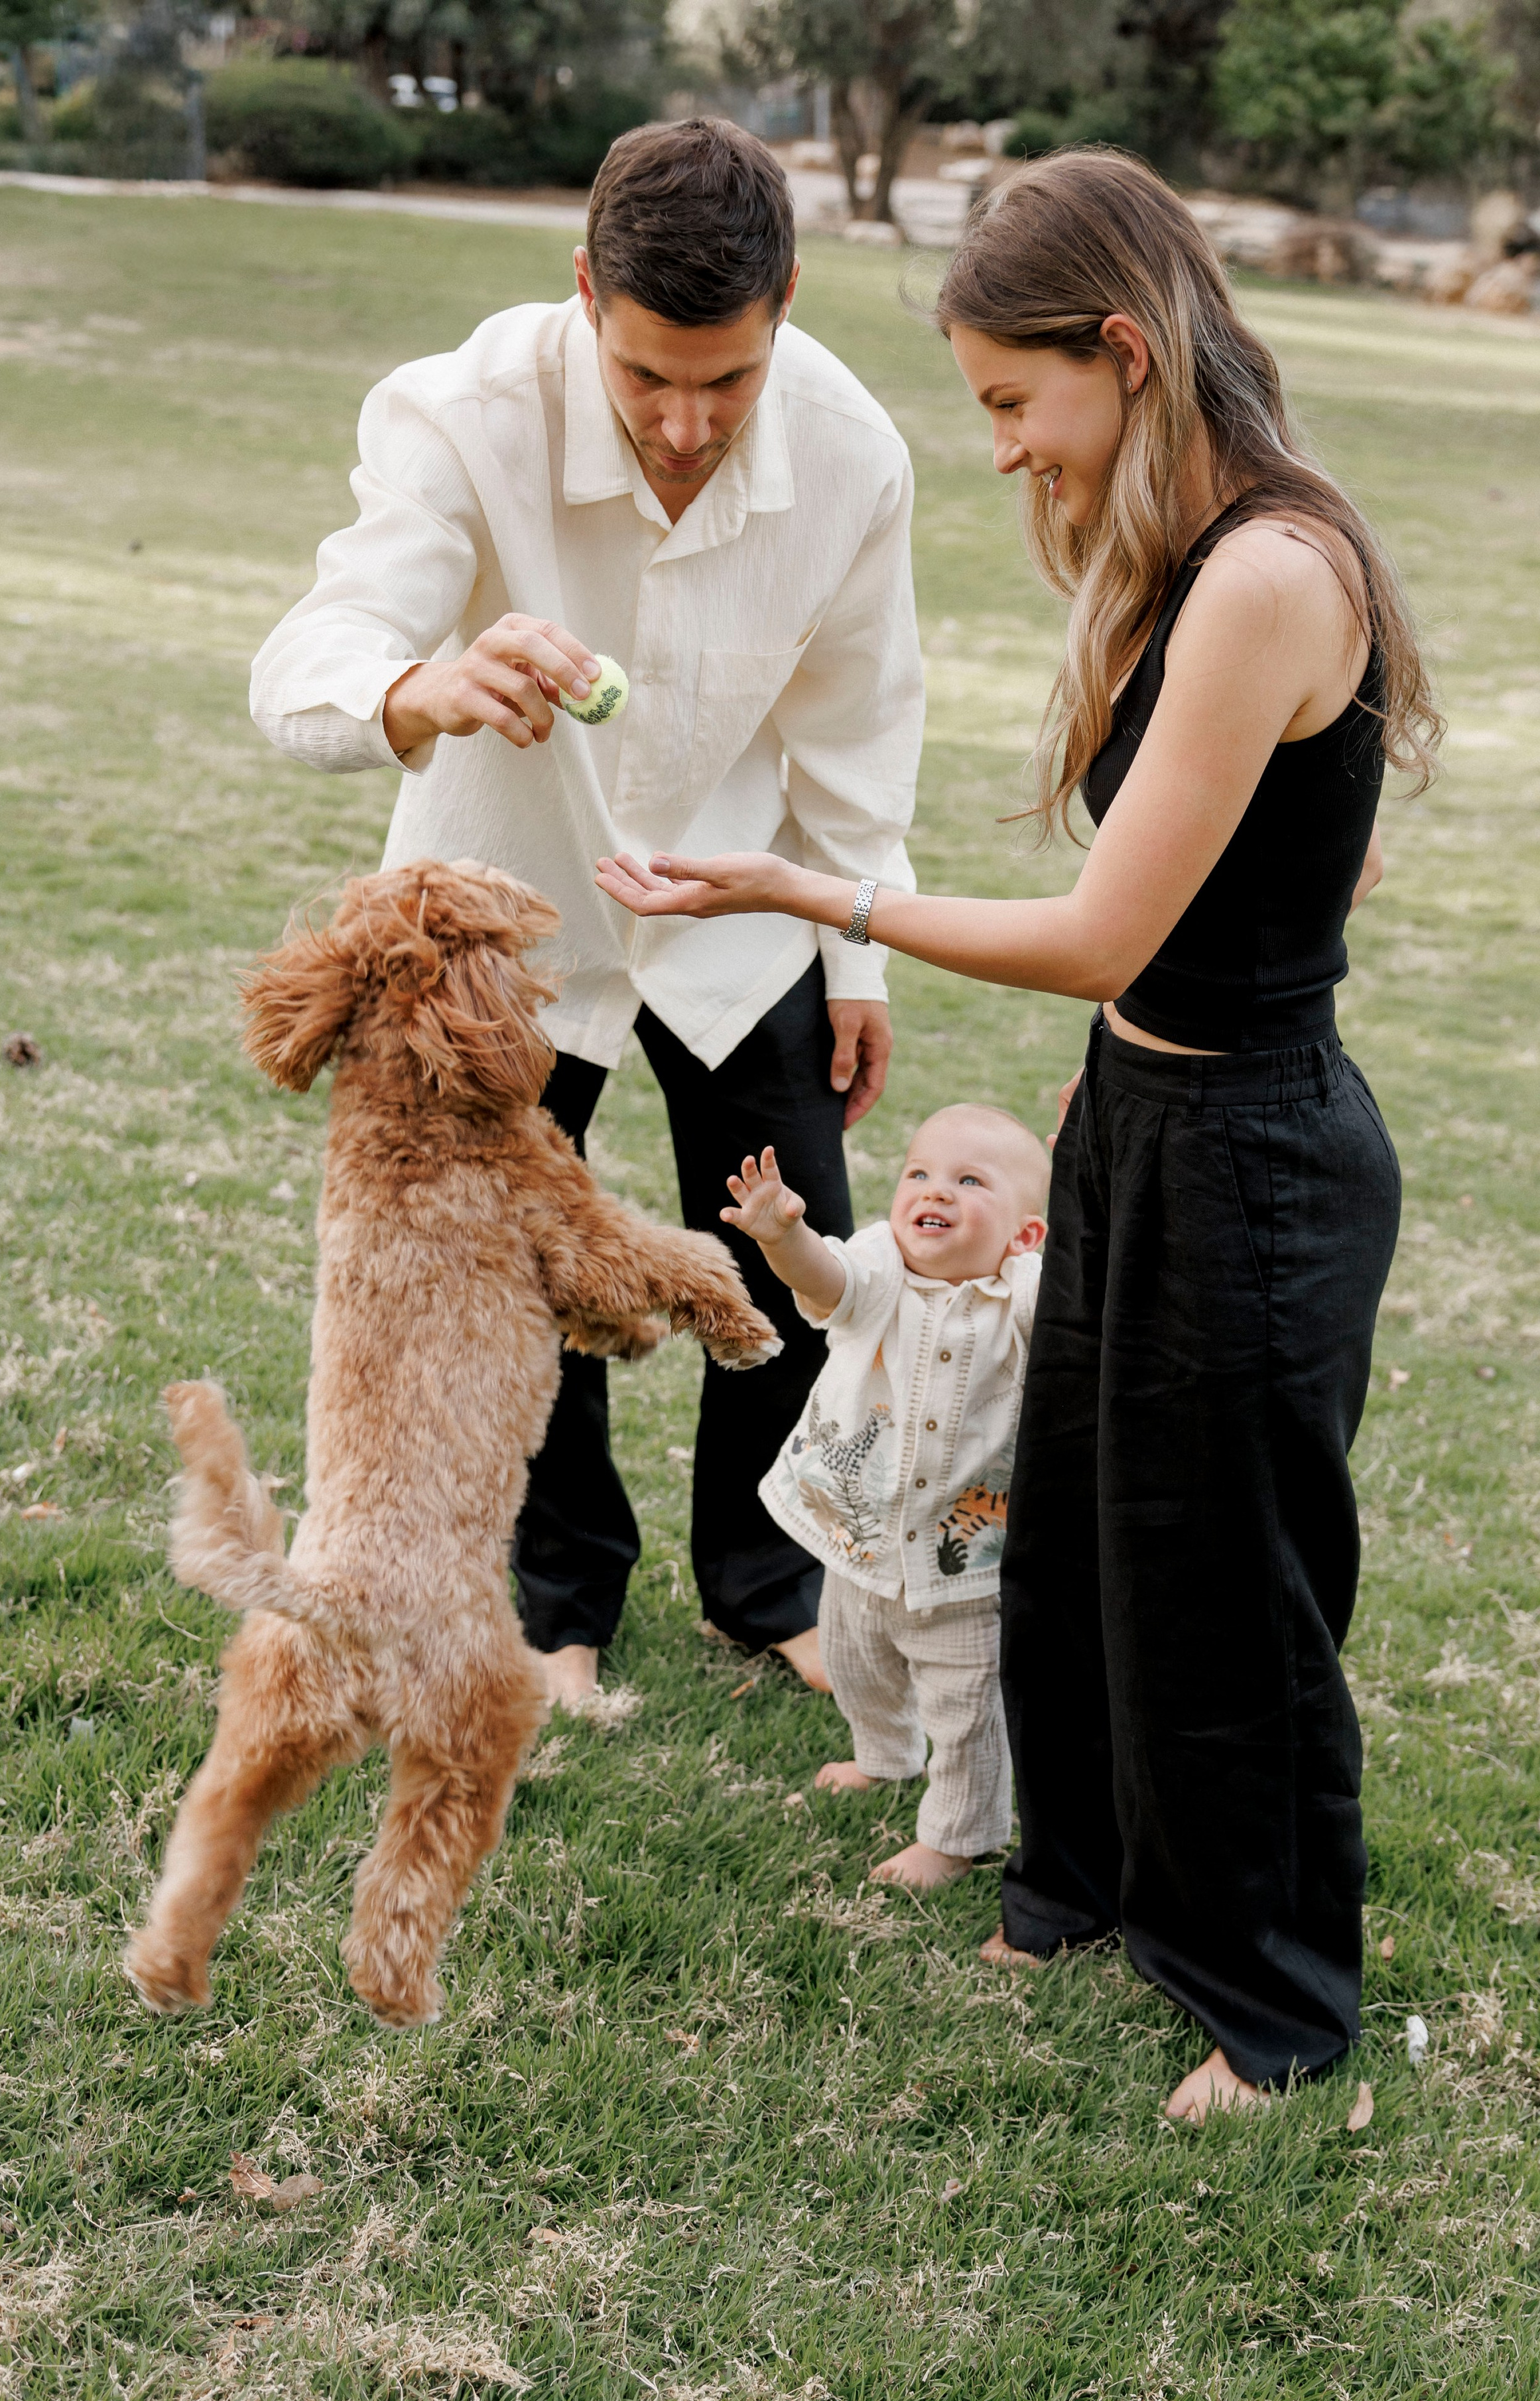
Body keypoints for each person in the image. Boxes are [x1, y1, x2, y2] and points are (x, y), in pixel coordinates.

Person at [596, 149, 1442, 2122]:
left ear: (1123, 352)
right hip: (1149, 1109)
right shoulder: (1207, 557)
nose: (994, 452)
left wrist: (812, 895)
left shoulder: (1268, 572)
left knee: (1226, 1581)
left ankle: (1275, 2003)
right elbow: (1318, 859)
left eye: (1006, 401)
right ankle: (1075, 1881)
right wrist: (1145, 1045)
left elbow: (1091, 927)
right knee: (1065, 1531)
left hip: (1255, 1161)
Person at [249, 118, 923, 1709]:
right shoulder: (456, 406)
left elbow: (856, 726)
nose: (686, 425)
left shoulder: (852, 451)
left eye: (728, 380)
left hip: (740, 900)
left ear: (785, 310)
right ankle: (560, 1597)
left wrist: (855, 952)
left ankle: (766, 1583)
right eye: (645, 379)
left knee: (785, 1248)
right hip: (503, 922)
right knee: (508, 1266)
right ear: (581, 299)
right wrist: (415, 683)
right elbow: (318, 644)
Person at [724, 1108, 1049, 1889]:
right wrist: (780, 1238)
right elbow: (824, 1278)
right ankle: (884, 1755)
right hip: (858, 1536)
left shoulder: (1027, 1296)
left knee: (965, 1708)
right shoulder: (880, 1265)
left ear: (1024, 1235)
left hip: (963, 1558)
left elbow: (1083, 1311)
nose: (935, 1191)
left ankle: (955, 1835)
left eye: (969, 1182)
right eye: (920, 1174)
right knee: (855, 1661)